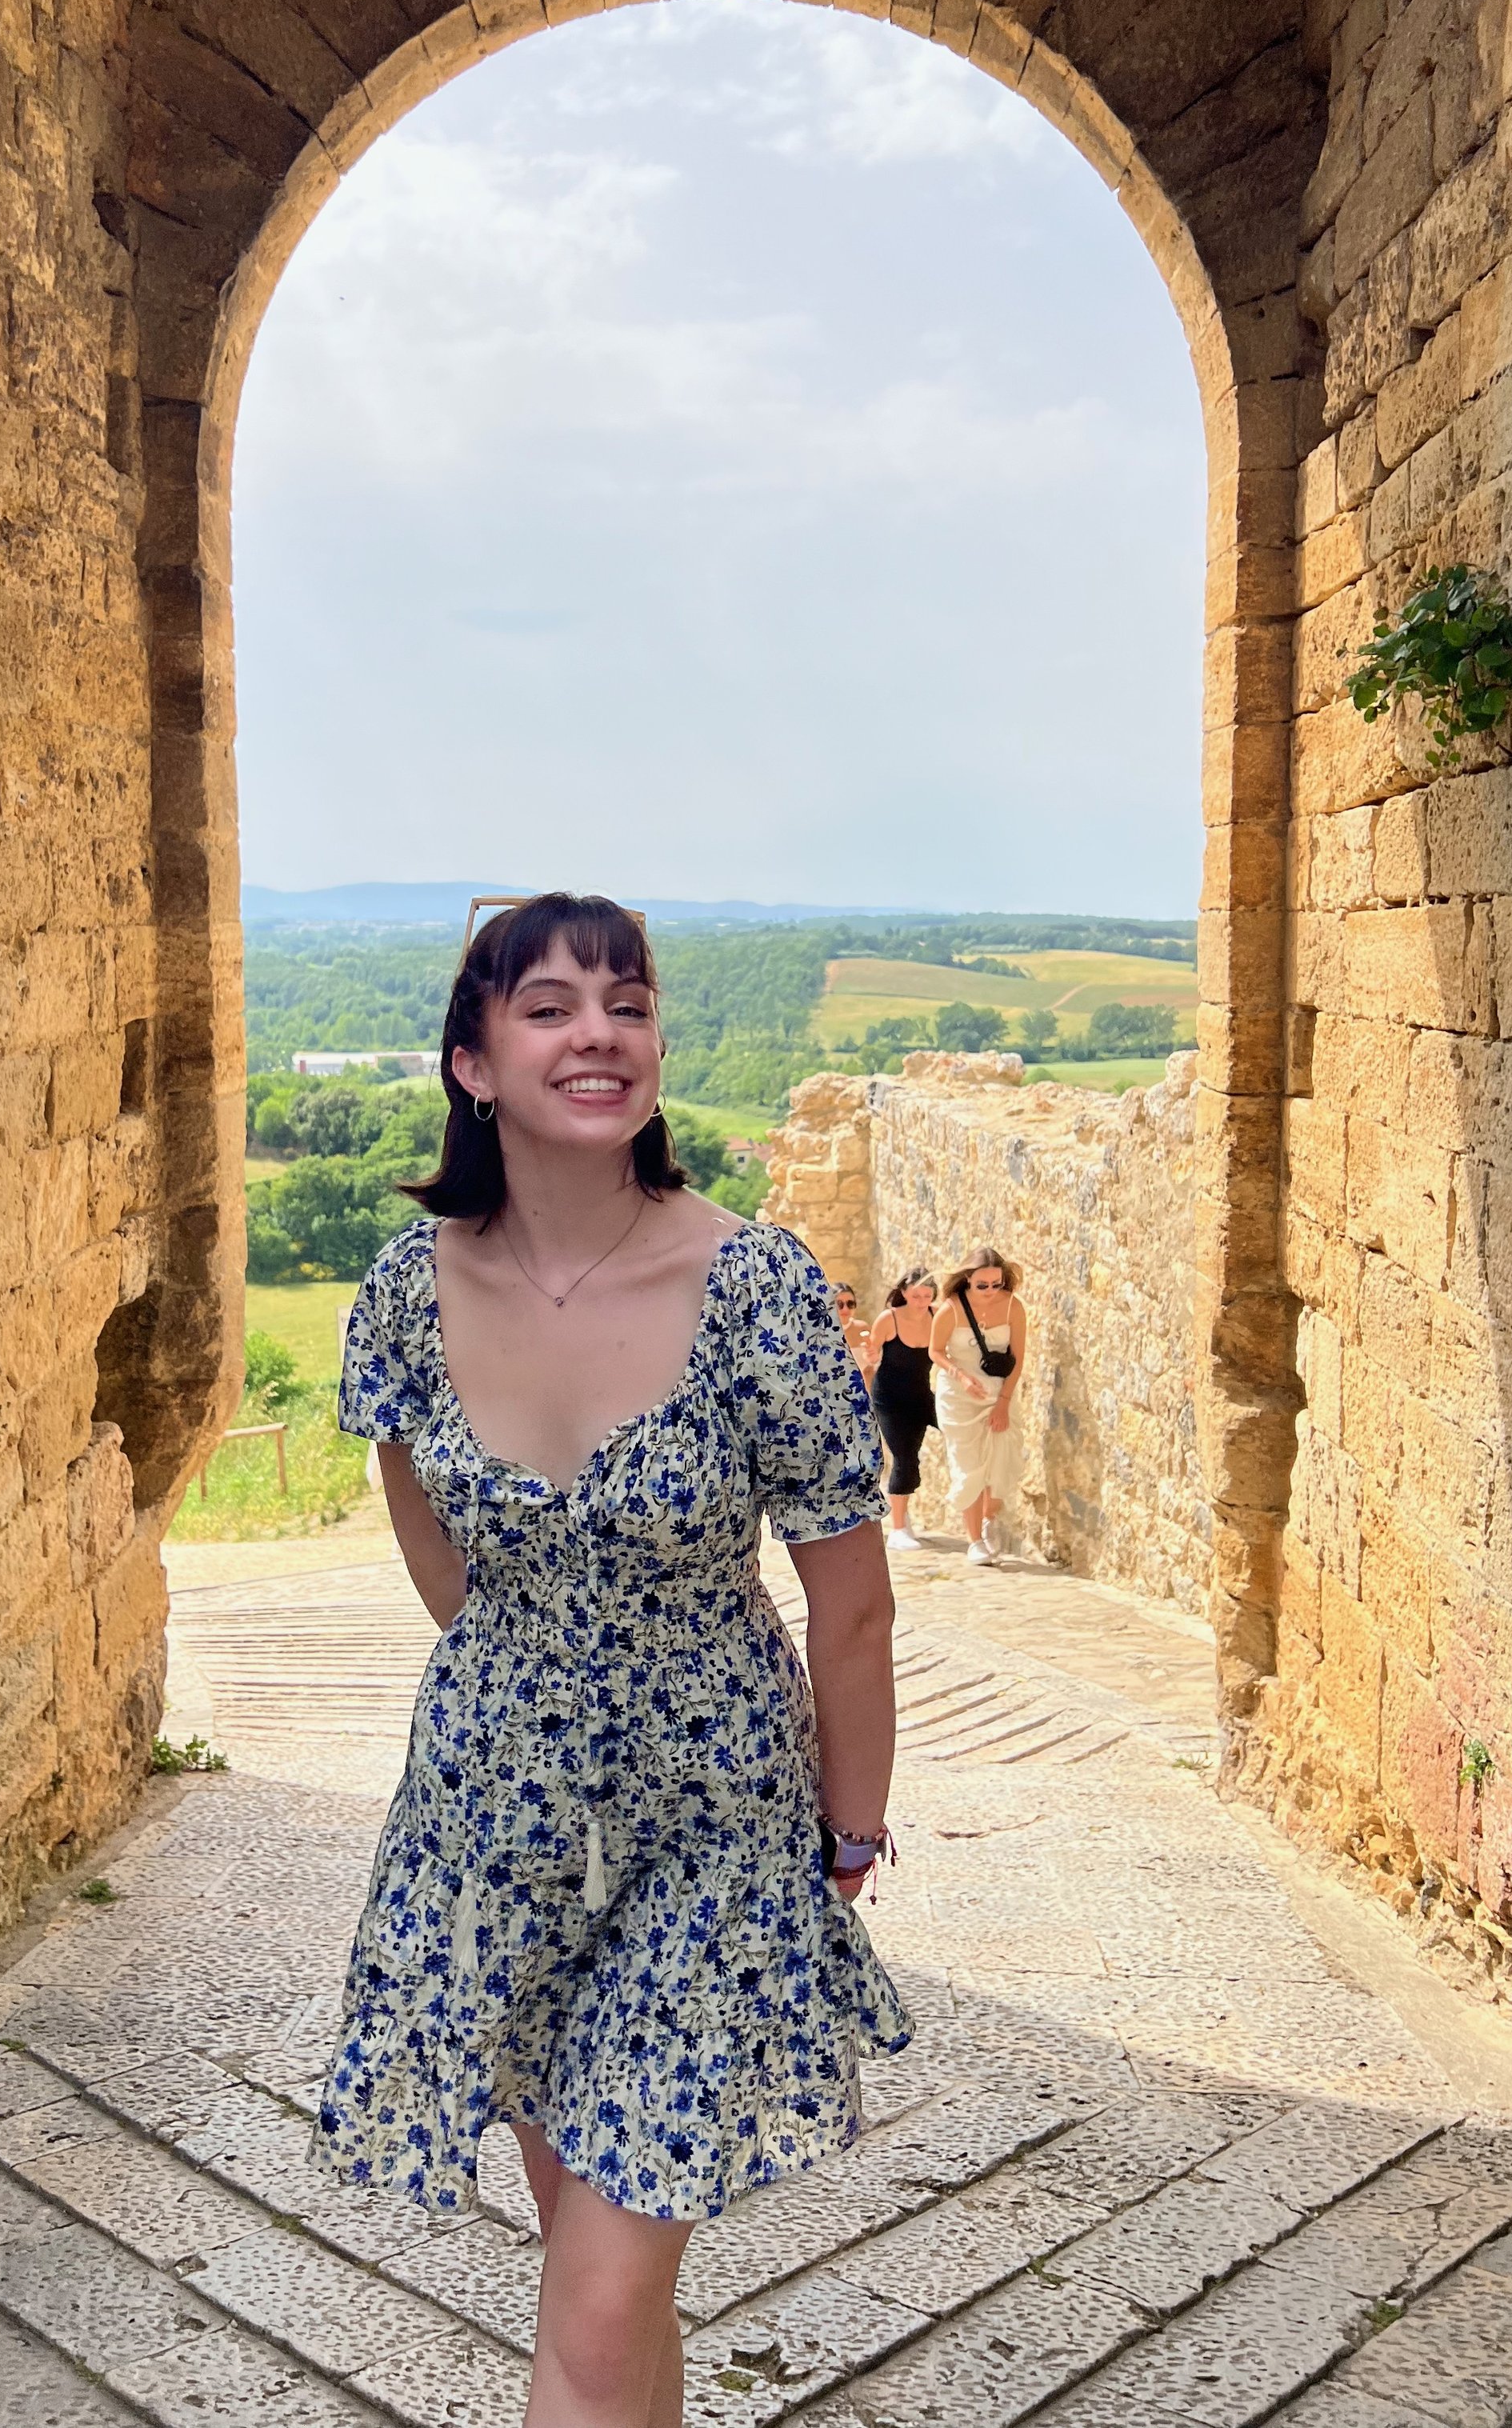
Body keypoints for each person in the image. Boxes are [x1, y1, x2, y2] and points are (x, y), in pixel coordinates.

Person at [318, 893, 910, 2428]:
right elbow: (443, 1558)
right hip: (492, 1826)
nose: (600, 1032)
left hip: (716, 1826)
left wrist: (849, 1826)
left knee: (591, 2295)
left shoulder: (759, 1289)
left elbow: (850, 1600)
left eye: (628, 1003)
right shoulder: (403, 1288)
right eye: (552, 1005)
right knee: (603, 2283)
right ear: (472, 1062)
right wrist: (540, 1704)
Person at [930, 1247, 1026, 1564]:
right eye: (982, 1285)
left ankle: (989, 1523)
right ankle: (974, 1541)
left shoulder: (1013, 1307)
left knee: (1002, 1461)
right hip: (959, 1397)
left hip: (999, 1393)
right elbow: (936, 1352)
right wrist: (961, 1376)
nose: (989, 1291)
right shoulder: (951, 1309)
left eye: (996, 1284)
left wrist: (1003, 1402)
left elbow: (1018, 1360)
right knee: (969, 1466)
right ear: (968, 1280)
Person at [866, 1270, 937, 1552]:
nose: (921, 1301)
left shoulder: (938, 1316)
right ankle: (897, 1528)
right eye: (916, 1295)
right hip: (890, 1400)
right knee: (904, 1458)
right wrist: (871, 1355)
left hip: (921, 1396)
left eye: (927, 1296)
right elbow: (873, 1353)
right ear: (905, 1293)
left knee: (961, 1430)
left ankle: (903, 1511)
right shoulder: (889, 1318)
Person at [831, 1279, 873, 1377]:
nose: (845, 1309)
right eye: (840, 1304)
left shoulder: (863, 1328)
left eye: (850, 1304)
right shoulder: (822, 1333)